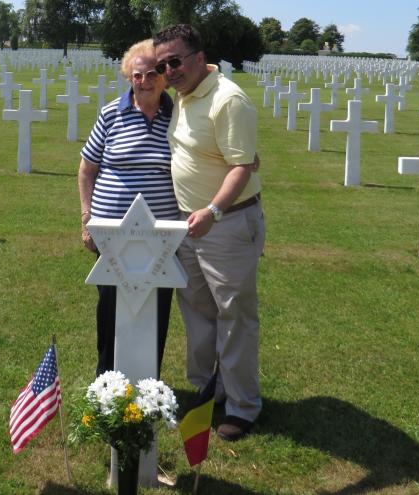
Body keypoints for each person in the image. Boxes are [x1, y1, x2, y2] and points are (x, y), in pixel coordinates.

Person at [153, 24, 265, 441]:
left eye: (175, 61)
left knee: (234, 315)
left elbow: (240, 165)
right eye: (163, 64)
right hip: (190, 224)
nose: (169, 70)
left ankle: (243, 406)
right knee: (198, 313)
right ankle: (206, 390)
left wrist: (214, 210)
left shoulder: (227, 99)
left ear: (200, 58)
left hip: (227, 223)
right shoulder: (184, 97)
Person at [78, 39, 178, 377]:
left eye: (152, 73)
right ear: (127, 77)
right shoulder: (111, 113)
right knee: (110, 304)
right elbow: (87, 168)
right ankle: (106, 378)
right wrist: (86, 218)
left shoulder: (178, 117)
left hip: (161, 234)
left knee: (157, 305)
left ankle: (149, 382)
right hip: (112, 232)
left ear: (164, 76)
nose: (144, 80)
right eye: (137, 75)